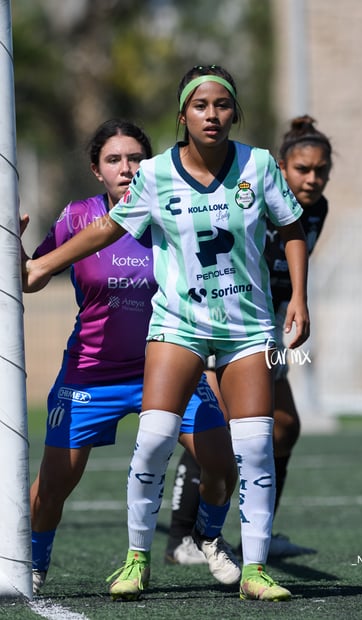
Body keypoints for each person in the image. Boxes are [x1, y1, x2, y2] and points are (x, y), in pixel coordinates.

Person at [23, 65, 310, 603]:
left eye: (222, 105)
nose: (128, 168)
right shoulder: (100, 205)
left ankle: (233, 554)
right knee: (110, 460)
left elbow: (289, 226)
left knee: (245, 453)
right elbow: (86, 239)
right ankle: (104, 561)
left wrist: (298, 296)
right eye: (114, 159)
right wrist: (33, 268)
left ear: (234, 113)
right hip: (122, 358)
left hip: (235, 333)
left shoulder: (257, 167)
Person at [23, 118, 240, 598]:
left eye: (136, 158)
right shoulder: (77, 218)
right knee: (53, 486)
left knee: (223, 463)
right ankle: (33, 565)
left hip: (169, 364)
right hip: (91, 375)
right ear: (97, 170)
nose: (126, 168)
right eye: (114, 160)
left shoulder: (175, 212)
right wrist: (11, 252)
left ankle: (208, 536)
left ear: (152, 164)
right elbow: (31, 276)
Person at [164, 114, 332, 562]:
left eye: (321, 171)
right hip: (227, 323)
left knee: (285, 428)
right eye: (302, 170)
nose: (312, 179)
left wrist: (293, 305)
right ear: (281, 167)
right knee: (215, 428)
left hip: (267, 328)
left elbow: (286, 267)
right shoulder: (252, 197)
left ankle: (260, 534)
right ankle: (183, 536)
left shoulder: (315, 210)